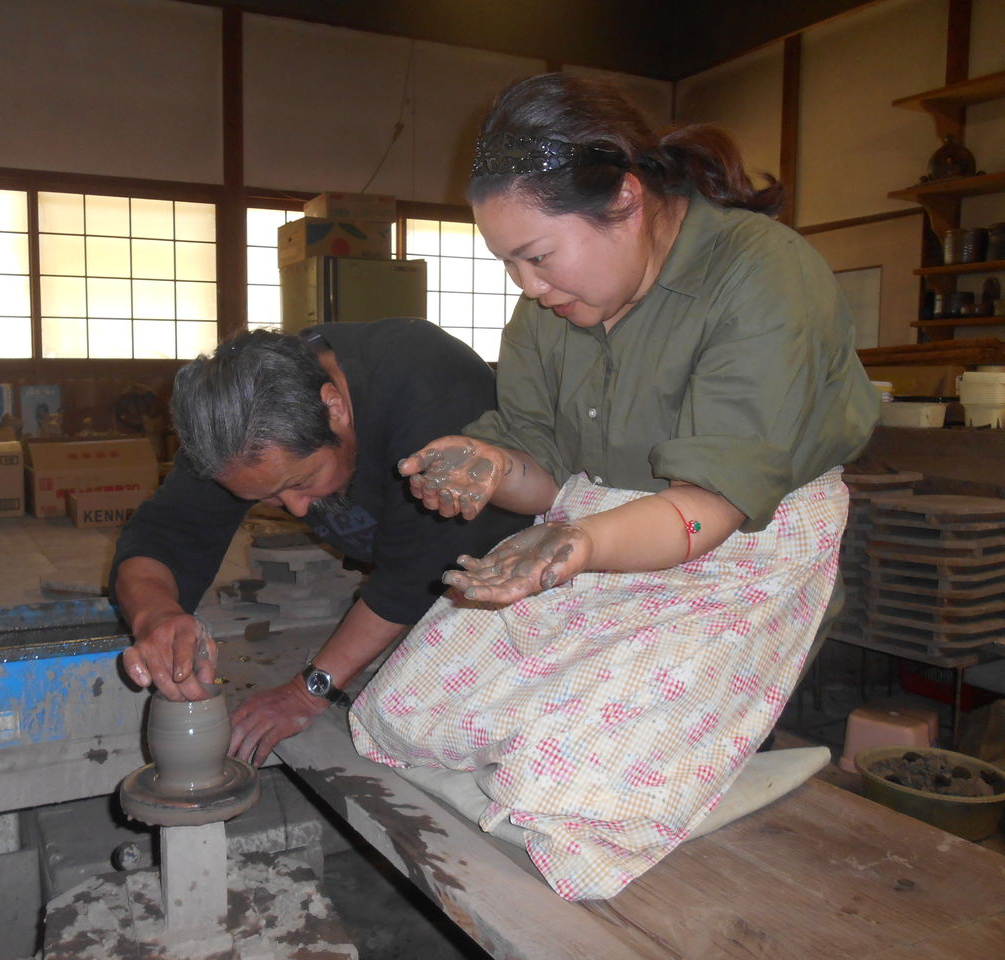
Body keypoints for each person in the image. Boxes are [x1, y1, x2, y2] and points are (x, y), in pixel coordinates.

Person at [348, 74, 878, 901]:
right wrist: (488, 465)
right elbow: (545, 472)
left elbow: (711, 506)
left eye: (537, 255)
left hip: (732, 546)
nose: (527, 286)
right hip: (592, 530)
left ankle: (678, 774)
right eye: (508, 263)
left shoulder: (762, 274)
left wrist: (580, 543)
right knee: (401, 717)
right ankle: (639, 749)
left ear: (626, 200)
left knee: (561, 799)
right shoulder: (551, 314)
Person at [112, 318, 529, 765]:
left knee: (438, 720)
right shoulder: (239, 423)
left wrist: (309, 691)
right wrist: (157, 617)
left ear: (335, 407)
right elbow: (166, 534)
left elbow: (420, 569)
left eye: (300, 481)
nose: (293, 509)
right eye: (268, 497)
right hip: (410, 554)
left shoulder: (428, 386)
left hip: (511, 552)